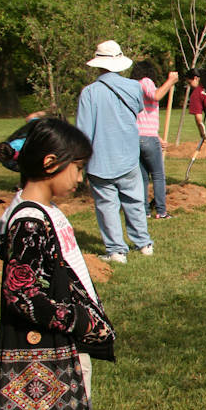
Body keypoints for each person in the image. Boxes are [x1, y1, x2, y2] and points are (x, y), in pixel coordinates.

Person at [0, 118, 122, 410]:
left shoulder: (33, 211)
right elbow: (22, 293)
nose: (81, 177)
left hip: (58, 345)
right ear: (52, 163)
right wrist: (79, 322)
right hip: (46, 350)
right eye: (78, 168)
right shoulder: (29, 221)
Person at [75, 40, 153, 264]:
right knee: (135, 201)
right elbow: (138, 110)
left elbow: (83, 131)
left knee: (107, 205)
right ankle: (144, 243)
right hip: (128, 155)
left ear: (98, 64)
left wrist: (80, 163)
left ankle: (117, 251)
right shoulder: (134, 87)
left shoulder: (89, 93)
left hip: (100, 159)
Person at [131, 60, 180, 218]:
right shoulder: (145, 82)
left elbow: (141, 118)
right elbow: (156, 95)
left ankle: (145, 211)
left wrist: (157, 137)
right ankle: (161, 211)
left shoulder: (133, 87)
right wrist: (170, 81)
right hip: (147, 138)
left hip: (138, 136)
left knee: (143, 177)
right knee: (158, 175)